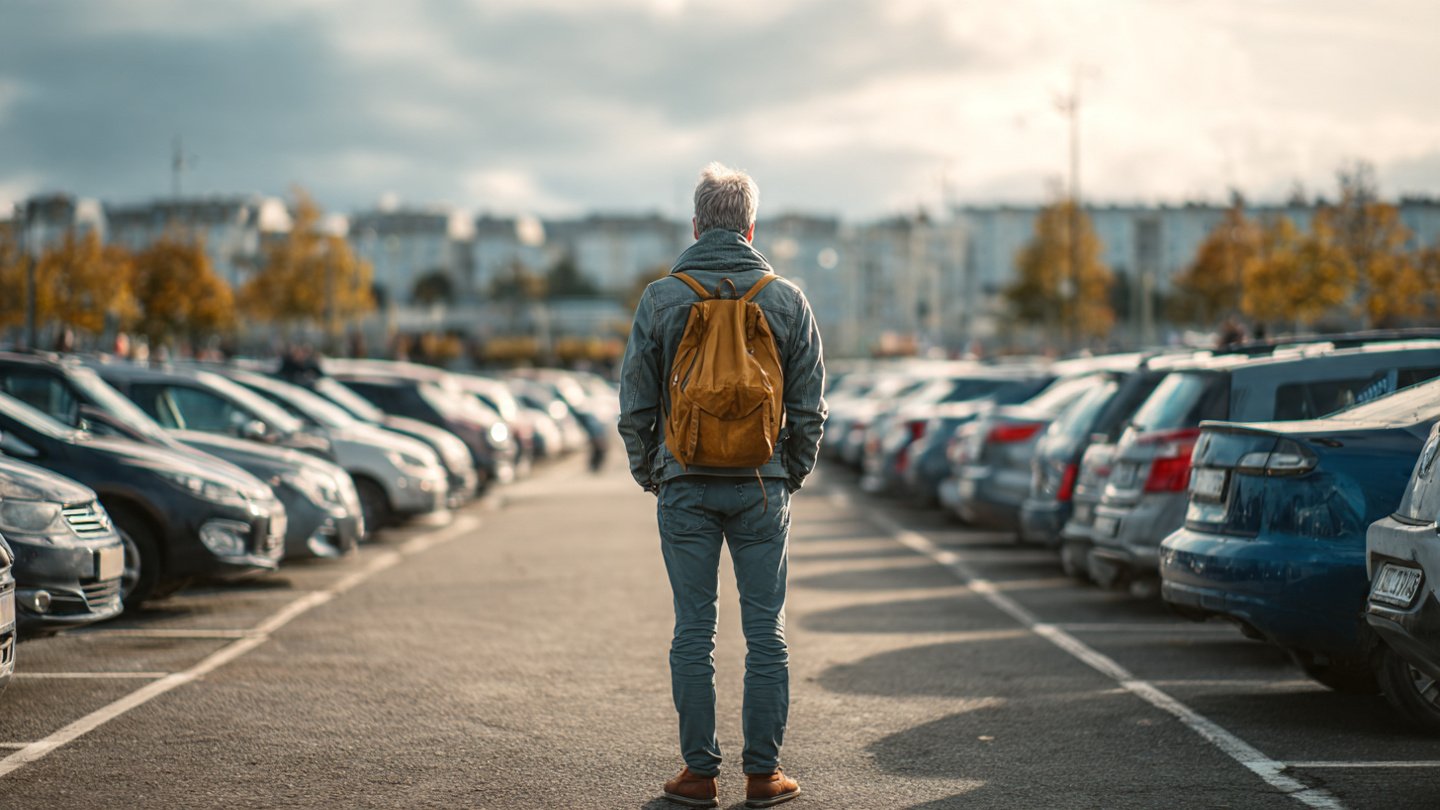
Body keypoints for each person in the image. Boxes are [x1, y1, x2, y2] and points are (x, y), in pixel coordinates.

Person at [619, 163, 826, 808]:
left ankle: (699, 774)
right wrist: (788, 469)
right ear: (750, 225)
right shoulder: (785, 298)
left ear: (697, 224)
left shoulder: (662, 297)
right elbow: (811, 406)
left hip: (685, 483)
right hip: (763, 487)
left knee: (694, 631)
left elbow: (634, 405)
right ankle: (764, 774)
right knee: (766, 631)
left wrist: (653, 471)